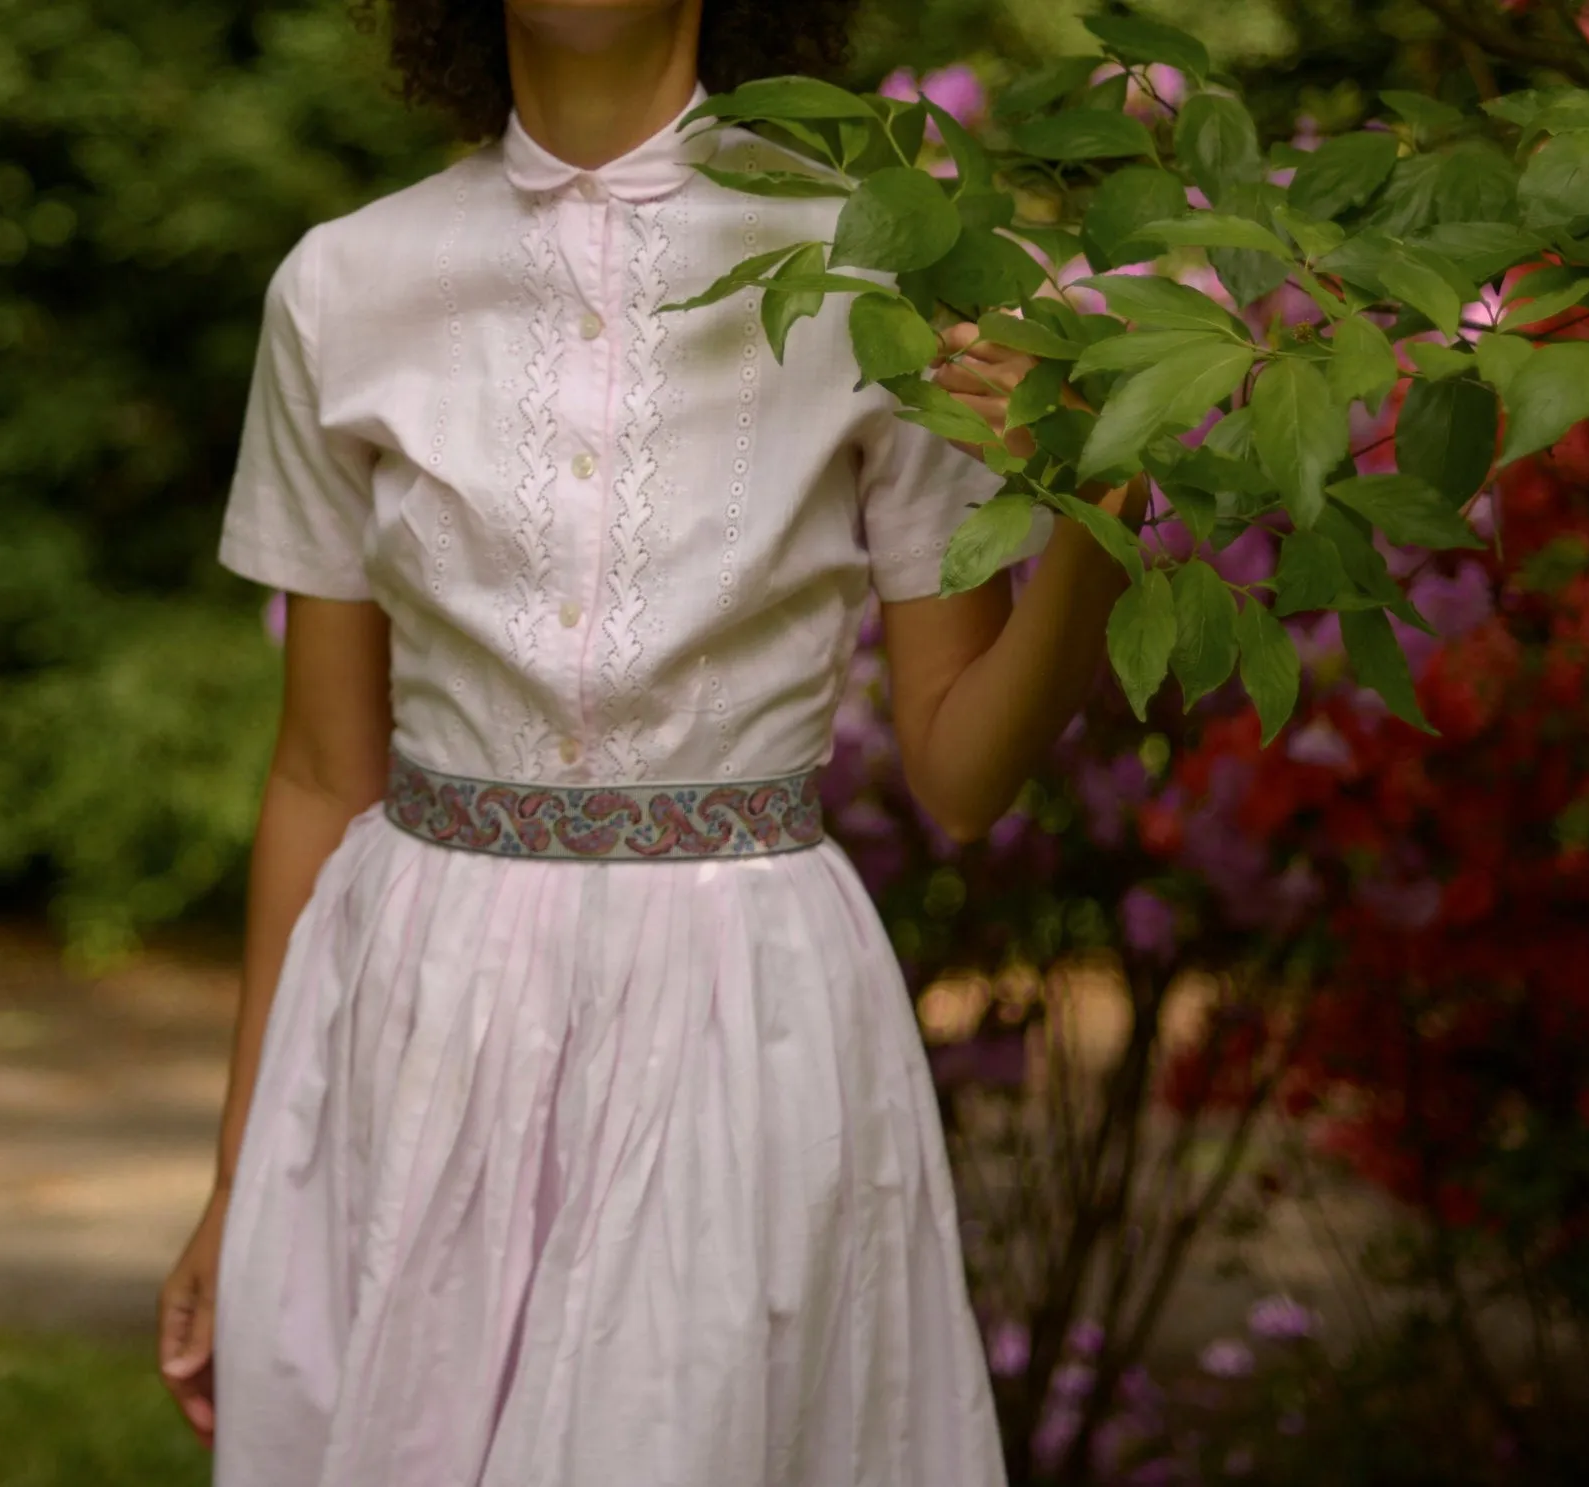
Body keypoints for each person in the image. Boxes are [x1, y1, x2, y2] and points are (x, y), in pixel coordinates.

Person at [156, 1, 1147, 1483]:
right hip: (418, 1018)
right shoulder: (343, 285)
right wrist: (240, 1180)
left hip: (738, 1010)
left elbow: (958, 769)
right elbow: (317, 772)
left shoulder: (878, 274)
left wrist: (1100, 503)